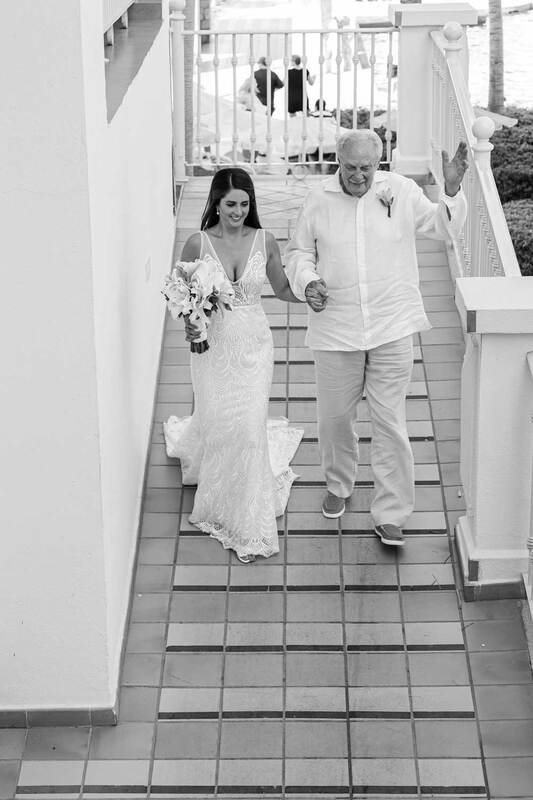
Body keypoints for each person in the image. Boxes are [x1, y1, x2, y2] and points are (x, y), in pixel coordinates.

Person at [284, 129, 468, 547]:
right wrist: (307, 280)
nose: (358, 175)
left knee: (390, 423)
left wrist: (451, 190)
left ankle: (391, 513)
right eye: (350, 167)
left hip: (391, 325)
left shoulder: (400, 190)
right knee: (334, 420)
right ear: (338, 162)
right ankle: (339, 484)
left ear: (378, 163)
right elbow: (298, 253)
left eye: (366, 168)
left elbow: (442, 228)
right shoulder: (318, 199)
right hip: (336, 328)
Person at [163, 168, 303, 563]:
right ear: (216, 203)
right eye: (230, 205)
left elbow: (282, 288)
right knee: (220, 420)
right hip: (213, 348)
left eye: (244, 204)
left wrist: (313, 292)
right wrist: (191, 324)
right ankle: (221, 484)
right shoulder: (198, 243)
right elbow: (179, 296)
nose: (238, 212)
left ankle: (248, 515)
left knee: (250, 427)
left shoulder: (265, 240)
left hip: (254, 346)